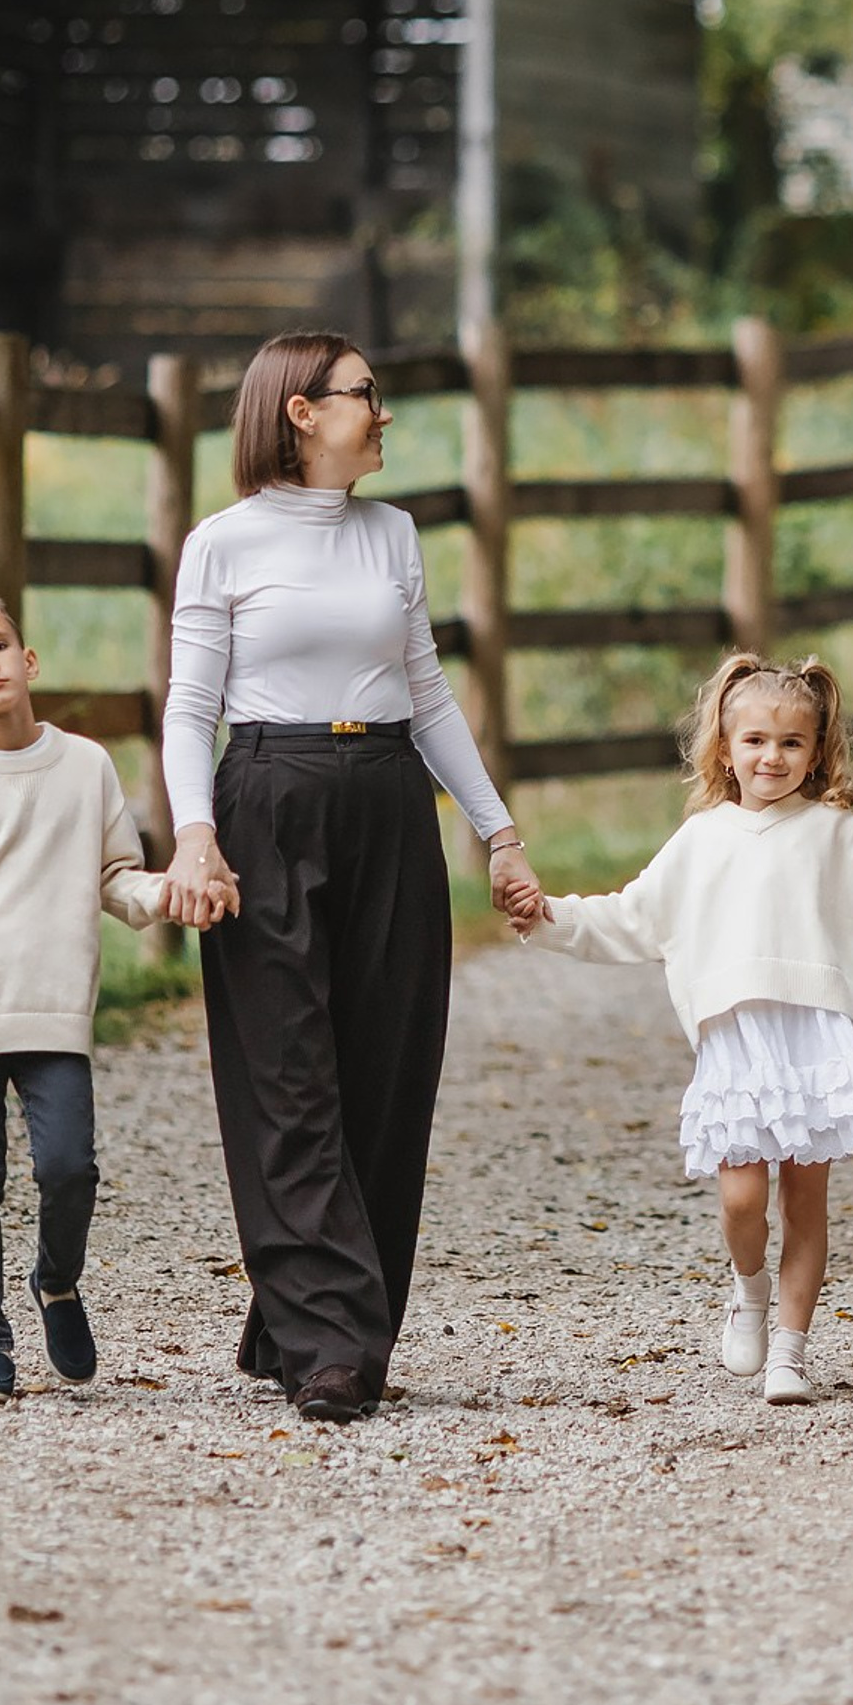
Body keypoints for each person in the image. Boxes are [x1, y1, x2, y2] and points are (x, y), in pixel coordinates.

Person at [159, 332, 547, 1424]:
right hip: (266, 796)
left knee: (386, 1070)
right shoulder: (222, 544)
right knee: (286, 1072)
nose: (382, 412)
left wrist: (499, 833)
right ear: (299, 410)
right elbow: (192, 709)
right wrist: (196, 835)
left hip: (386, 798)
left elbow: (425, 694)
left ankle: (304, 1305)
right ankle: (333, 1339)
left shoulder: (393, 534)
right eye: (365, 395)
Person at [506, 655, 853, 1406]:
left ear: (817, 752)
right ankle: (748, 1292)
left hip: (817, 1040)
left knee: (805, 1203)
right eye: (754, 741)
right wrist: (547, 917)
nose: (770, 757)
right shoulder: (701, 841)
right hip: (737, 1042)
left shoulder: (842, 836)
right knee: (743, 1199)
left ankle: (791, 1350)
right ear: (723, 747)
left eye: (790, 743)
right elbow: (630, 918)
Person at [0, 588, 205, 1405]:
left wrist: (167, 894)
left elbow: (115, 878)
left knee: (68, 1169)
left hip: (54, 1011)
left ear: (28, 661)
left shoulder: (85, 765)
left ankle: (55, 1280)